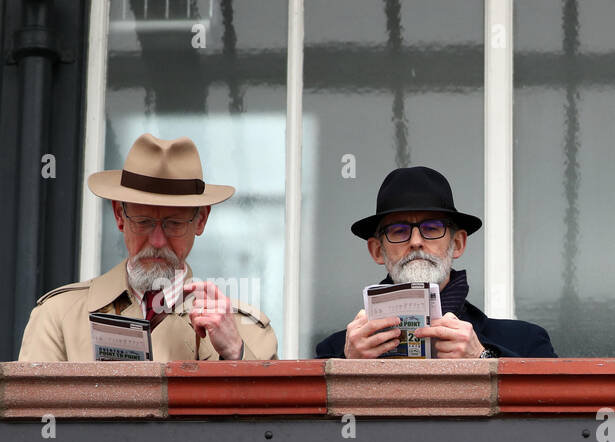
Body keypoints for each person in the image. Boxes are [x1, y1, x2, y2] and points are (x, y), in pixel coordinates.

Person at [19, 133, 277, 362]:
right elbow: (34, 412)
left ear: (201, 220)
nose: (157, 241)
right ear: (119, 216)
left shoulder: (246, 330)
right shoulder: (58, 318)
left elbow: (272, 415)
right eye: (143, 222)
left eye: (173, 224)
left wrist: (236, 353)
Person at [315, 166, 556, 359]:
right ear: (377, 251)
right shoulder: (336, 351)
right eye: (399, 231)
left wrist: (482, 357)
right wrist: (348, 366)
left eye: (432, 228)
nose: (416, 241)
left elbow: (552, 414)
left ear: (458, 244)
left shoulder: (526, 342)